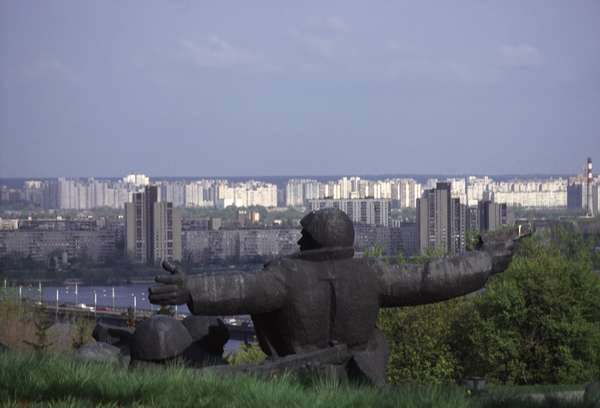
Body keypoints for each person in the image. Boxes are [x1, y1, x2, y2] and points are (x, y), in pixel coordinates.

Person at [149, 208, 521, 383]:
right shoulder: (370, 274)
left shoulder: (286, 276)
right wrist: (485, 260)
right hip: (361, 375)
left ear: (312, 240)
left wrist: (191, 288)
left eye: (303, 236)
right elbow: (430, 278)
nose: (297, 241)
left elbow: (242, 289)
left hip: (297, 380)